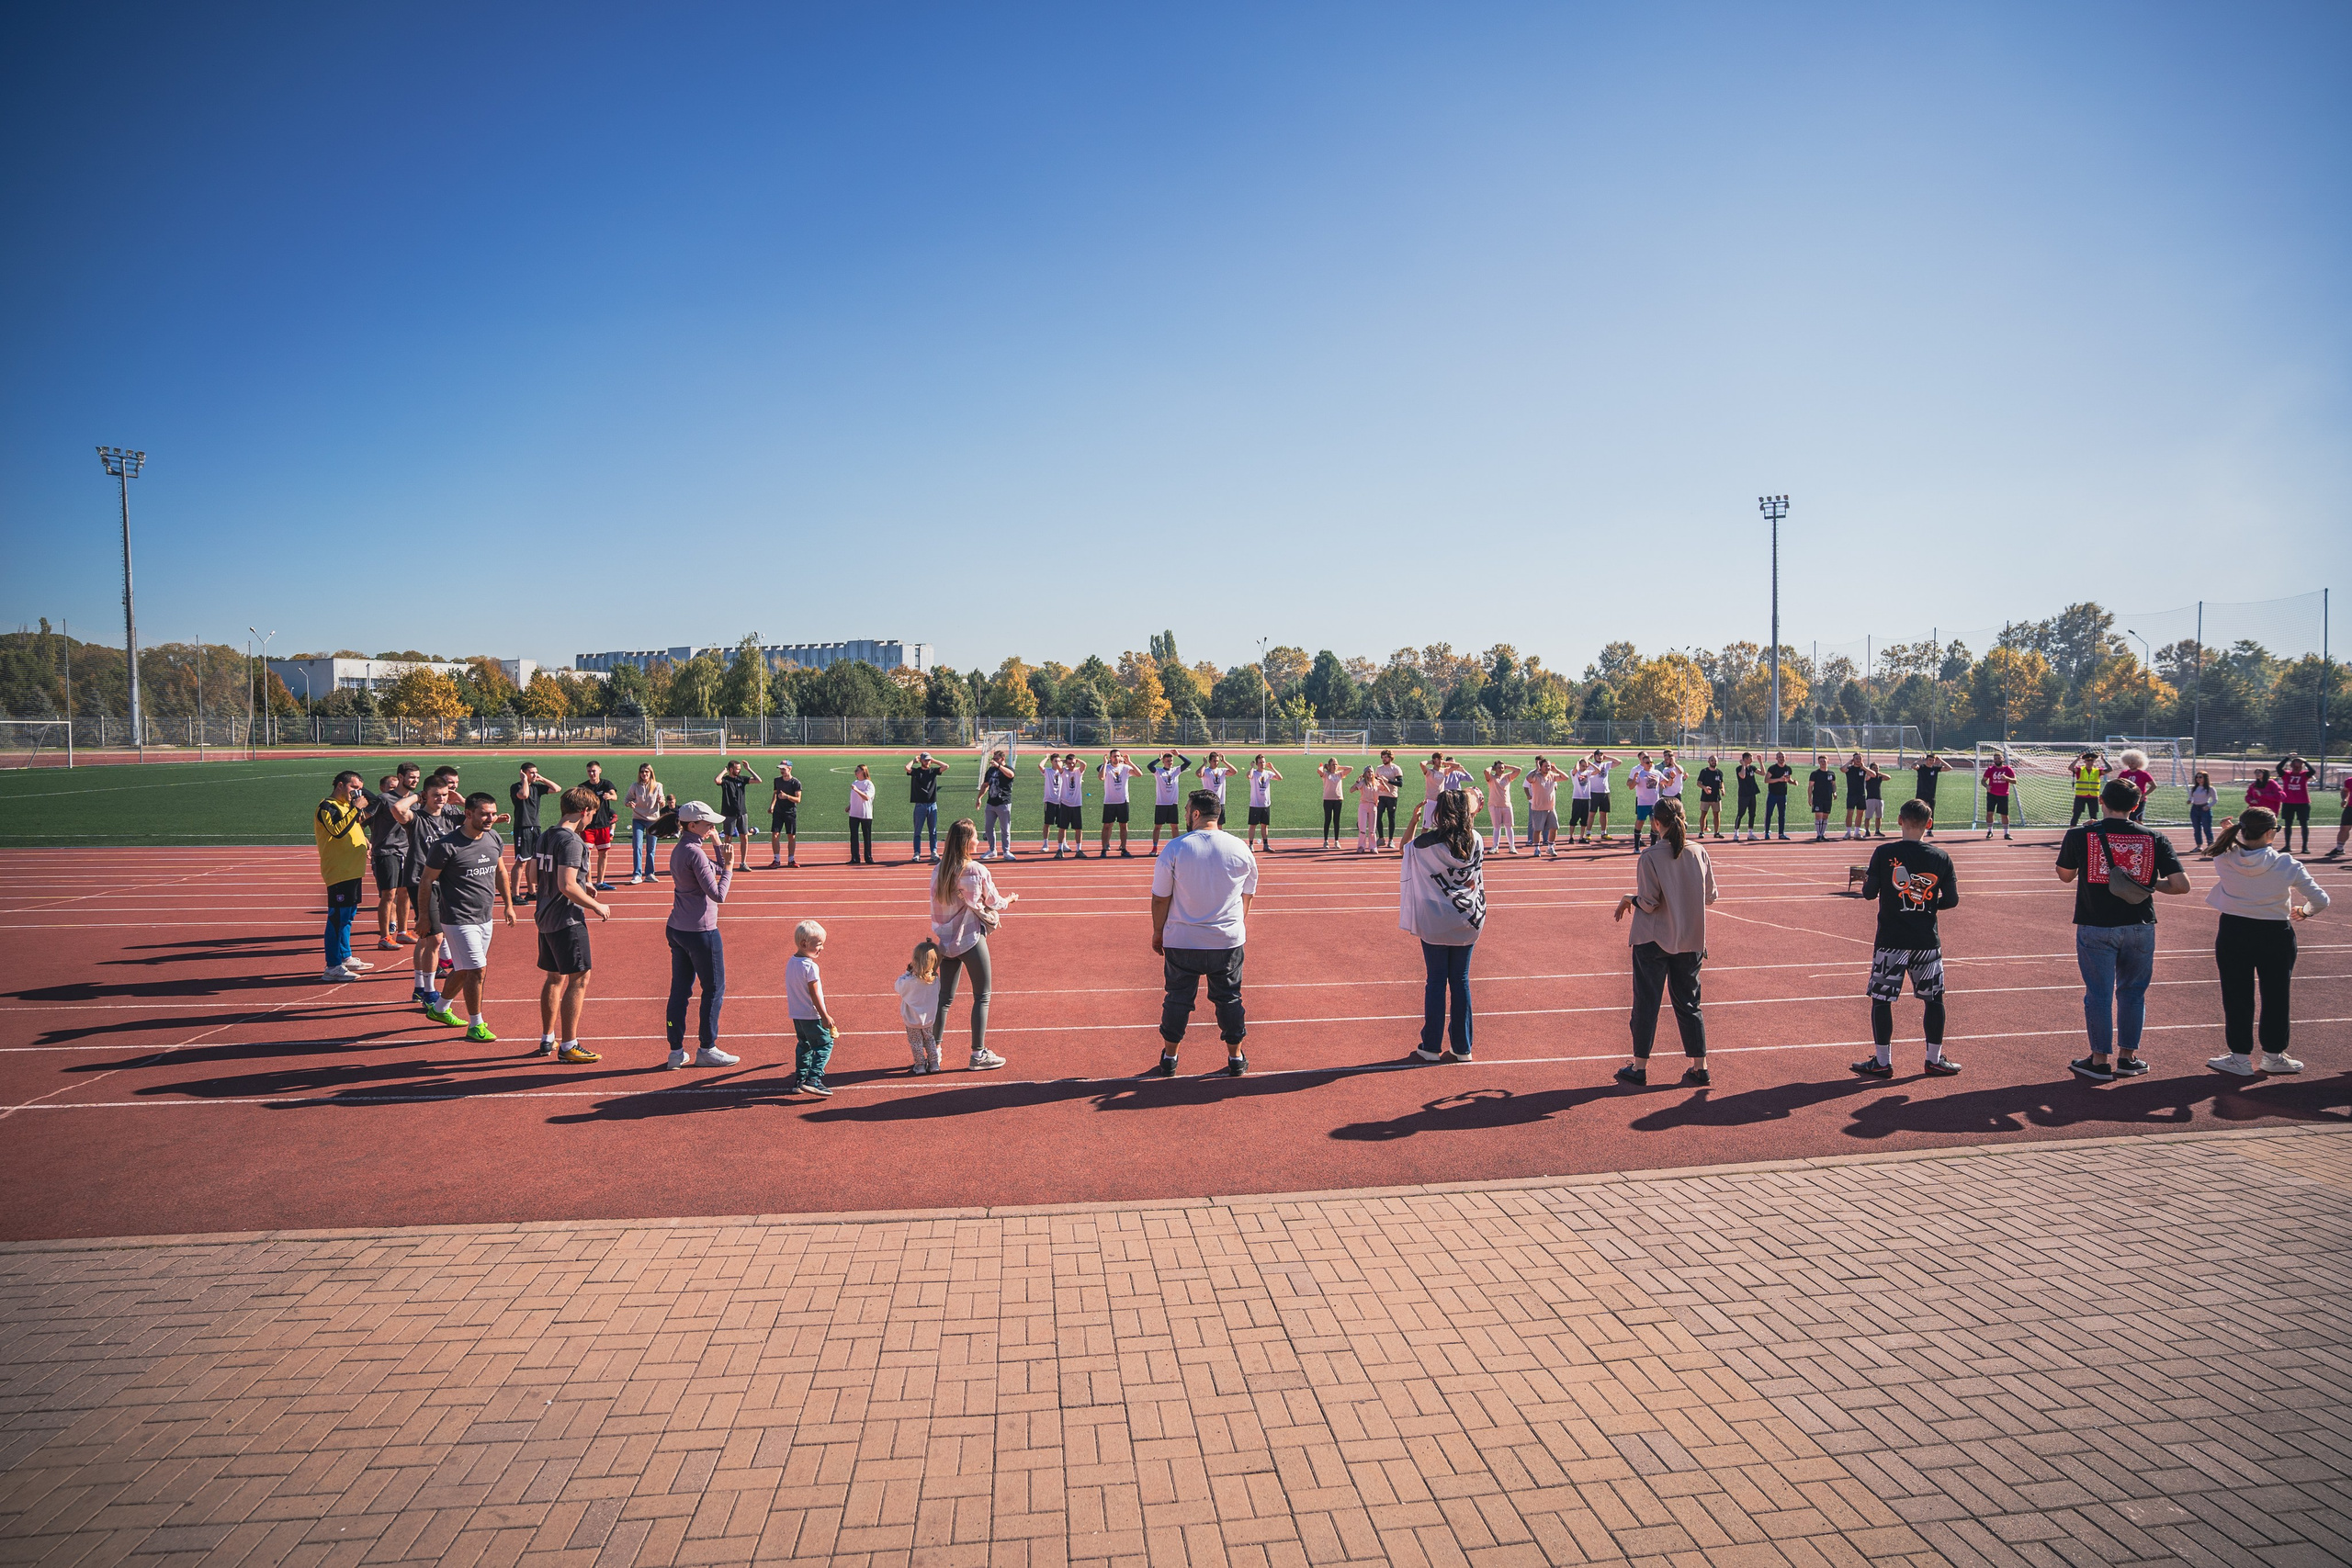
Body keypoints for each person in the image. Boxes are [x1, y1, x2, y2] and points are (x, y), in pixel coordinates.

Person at [2056, 778, 2190, 1082]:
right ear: (2136, 805)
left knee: (2099, 994)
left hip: (2096, 924)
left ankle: (2100, 1060)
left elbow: (2065, 876)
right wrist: (2141, 880)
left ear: (2101, 801)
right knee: (2133, 993)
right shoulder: (2155, 837)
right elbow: (2181, 886)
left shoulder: (2081, 834)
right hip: (2140, 925)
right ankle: (2128, 1058)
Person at [2203, 805, 2329, 1077]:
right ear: (2272, 832)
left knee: (2236, 994)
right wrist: (2304, 912)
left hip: (2234, 931)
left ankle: (2239, 1057)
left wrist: (2230, 831)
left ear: (2242, 830)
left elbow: (2236, 847)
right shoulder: (2287, 864)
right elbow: (2321, 900)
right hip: (2276, 934)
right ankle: (2274, 1055)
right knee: (2276, 995)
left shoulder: (2224, 857)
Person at [1148, 788, 1258, 1077]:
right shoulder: (1241, 848)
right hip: (1226, 941)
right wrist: (1235, 926)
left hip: (1182, 940)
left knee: (1177, 998)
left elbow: (1160, 898)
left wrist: (1158, 932)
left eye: (1186, 811)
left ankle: (1170, 1057)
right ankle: (1235, 1057)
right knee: (1229, 998)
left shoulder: (1175, 848)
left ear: (1195, 814)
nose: (1185, 815)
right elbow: (1247, 896)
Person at [1850, 799, 1962, 1078]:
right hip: (1926, 941)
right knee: (1934, 999)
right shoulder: (1941, 858)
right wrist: (1926, 900)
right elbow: (1951, 901)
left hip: (1891, 939)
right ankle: (1934, 1059)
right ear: (1930, 824)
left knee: (1881, 999)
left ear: (1899, 821)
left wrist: (1870, 879)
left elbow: (1868, 893)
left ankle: (1883, 1061)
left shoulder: (1884, 852)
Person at [1611, 798, 1715, 1085]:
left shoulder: (1650, 857)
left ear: (1656, 823)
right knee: (1689, 1003)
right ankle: (1700, 1065)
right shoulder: (1699, 852)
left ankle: (1639, 1067)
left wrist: (1628, 898)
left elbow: (1649, 902)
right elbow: (1710, 896)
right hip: (1691, 937)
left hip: (1653, 939)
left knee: (1646, 1002)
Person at [418, 791, 517, 1042]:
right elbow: (426, 881)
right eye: (484, 814)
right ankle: (476, 1025)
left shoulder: (493, 837)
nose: (490, 818)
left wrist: (508, 905)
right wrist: (423, 917)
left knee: (463, 970)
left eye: (493, 813)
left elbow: (501, 872)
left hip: (485, 917)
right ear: (468, 813)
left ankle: (439, 1009)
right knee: (477, 970)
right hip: (457, 918)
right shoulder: (446, 845)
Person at [1401, 787, 1485, 1062]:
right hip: (1467, 917)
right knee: (1460, 980)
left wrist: (1414, 821)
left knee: (1436, 981)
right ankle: (1463, 1048)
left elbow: (1405, 849)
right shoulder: (1477, 839)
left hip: (1435, 918)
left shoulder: (1427, 843)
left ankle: (1431, 1046)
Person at [533, 785, 610, 1064]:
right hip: (566, 919)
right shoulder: (572, 841)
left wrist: (583, 882)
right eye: (591, 815)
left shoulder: (545, 836)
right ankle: (569, 1045)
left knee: (554, 977)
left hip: (544, 917)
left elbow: (534, 875)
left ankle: (547, 1038)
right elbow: (566, 885)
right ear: (584, 811)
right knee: (580, 978)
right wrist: (597, 906)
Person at [929, 818, 1012, 1072]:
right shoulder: (975, 870)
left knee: (944, 999)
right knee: (982, 996)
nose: (979, 840)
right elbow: (993, 901)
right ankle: (978, 1054)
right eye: (976, 836)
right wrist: (1009, 900)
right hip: (970, 939)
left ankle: (934, 1053)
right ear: (967, 841)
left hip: (944, 941)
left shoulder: (939, 869)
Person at [662, 800, 739, 1069]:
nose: (712, 828)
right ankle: (707, 1048)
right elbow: (719, 893)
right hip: (700, 931)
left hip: (677, 929)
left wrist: (718, 845)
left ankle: (675, 1051)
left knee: (679, 992)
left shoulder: (682, 848)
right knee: (714, 989)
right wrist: (729, 867)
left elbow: (713, 867)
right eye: (707, 824)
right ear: (692, 825)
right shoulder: (694, 852)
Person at [405, 774, 468, 1011]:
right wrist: (415, 796)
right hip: (421, 881)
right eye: (435, 795)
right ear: (426, 796)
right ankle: (430, 992)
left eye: (443, 795)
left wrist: (459, 800)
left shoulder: (451, 815)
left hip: (444, 880)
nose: (441, 799)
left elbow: (480, 814)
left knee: (426, 936)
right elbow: (398, 809)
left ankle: (420, 987)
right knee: (435, 939)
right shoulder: (416, 817)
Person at [313, 770, 377, 982]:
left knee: (348, 917)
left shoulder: (347, 807)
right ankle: (332, 966)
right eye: (353, 787)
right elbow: (337, 831)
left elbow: (354, 826)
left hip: (353, 869)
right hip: (339, 871)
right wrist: (355, 808)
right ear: (340, 785)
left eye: (359, 788)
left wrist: (365, 841)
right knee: (336, 919)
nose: (356, 792)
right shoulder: (327, 806)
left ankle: (345, 956)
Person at [783, 920, 839, 1096]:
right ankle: (814, 1078)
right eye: (819, 944)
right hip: (811, 1015)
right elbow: (814, 994)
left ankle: (800, 1079)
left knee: (804, 1045)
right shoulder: (811, 966)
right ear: (804, 944)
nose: (822, 948)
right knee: (825, 1045)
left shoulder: (791, 962)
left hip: (797, 1015)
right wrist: (825, 1015)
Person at [368, 763, 420, 948]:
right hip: (386, 851)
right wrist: (367, 842)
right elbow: (363, 819)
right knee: (388, 895)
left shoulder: (415, 800)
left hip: (408, 851)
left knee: (405, 893)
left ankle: (403, 932)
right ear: (401, 777)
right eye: (411, 777)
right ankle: (384, 937)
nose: (415, 780)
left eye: (417, 777)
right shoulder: (384, 799)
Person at [508, 762, 557, 901]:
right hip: (522, 827)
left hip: (535, 827)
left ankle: (531, 891)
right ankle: (515, 894)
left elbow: (556, 789)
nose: (535, 775)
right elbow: (524, 795)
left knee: (532, 861)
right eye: (532, 773)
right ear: (523, 773)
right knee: (521, 862)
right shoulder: (516, 787)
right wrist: (524, 780)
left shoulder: (537, 787)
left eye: (536, 772)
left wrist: (542, 779)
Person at [896, 940, 943, 1073]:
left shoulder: (909, 981)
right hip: (928, 1019)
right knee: (929, 1039)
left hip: (912, 1020)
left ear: (915, 961)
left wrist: (907, 973)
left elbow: (898, 986)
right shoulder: (935, 981)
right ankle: (934, 1063)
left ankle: (920, 1064)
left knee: (916, 1042)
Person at [712, 759, 759, 872]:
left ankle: (743, 863)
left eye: (740, 769)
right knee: (728, 838)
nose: (739, 771)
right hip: (729, 814)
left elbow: (758, 780)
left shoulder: (742, 779)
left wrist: (749, 769)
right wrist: (724, 771)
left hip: (742, 813)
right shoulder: (726, 781)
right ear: (731, 769)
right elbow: (717, 780)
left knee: (744, 837)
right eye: (737, 769)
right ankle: (726, 863)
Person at [579, 761, 619, 890]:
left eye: (594, 771)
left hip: (603, 825)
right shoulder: (583, 787)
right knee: (587, 855)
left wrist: (610, 796)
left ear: (600, 770)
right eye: (589, 771)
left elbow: (615, 796)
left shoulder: (606, 784)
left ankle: (600, 882)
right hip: (588, 827)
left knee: (604, 853)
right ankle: (589, 882)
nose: (592, 773)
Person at [626, 762, 668, 885]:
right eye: (642, 772)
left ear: (651, 773)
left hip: (653, 820)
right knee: (637, 847)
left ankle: (650, 873)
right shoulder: (635, 786)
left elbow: (662, 802)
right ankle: (637, 874)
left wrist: (661, 801)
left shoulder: (658, 785)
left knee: (651, 848)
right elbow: (626, 799)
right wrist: (630, 804)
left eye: (647, 772)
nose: (644, 774)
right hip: (638, 818)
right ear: (639, 773)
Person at [1099, 749, 1143, 857]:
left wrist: (1130, 762)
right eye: (1114, 756)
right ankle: (1104, 848)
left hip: (1123, 801)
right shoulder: (1106, 767)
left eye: (1118, 756)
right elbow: (1101, 777)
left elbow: (1139, 774)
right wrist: (1105, 764)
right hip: (1109, 801)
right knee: (1107, 826)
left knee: (1123, 825)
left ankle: (1123, 847)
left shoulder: (1125, 768)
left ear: (1121, 757)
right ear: (1110, 758)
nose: (1116, 758)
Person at [905, 750, 947, 863]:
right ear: (921, 761)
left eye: (929, 760)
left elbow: (946, 766)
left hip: (932, 805)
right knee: (917, 831)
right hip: (920, 805)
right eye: (926, 760)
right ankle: (917, 853)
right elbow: (907, 768)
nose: (927, 762)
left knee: (933, 831)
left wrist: (934, 760)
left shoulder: (933, 771)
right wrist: (914, 761)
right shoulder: (916, 771)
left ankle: (933, 852)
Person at [1148, 749, 1193, 853]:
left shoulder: (1176, 771)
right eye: (1167, 761)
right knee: (1158, 826)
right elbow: (1150, 767)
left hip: (1173, 804)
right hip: (1161, 803)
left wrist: (1179, 755)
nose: (1170, 763)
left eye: (1171, 761)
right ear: (1164, 761)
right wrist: (1158, 759)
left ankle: (1176, 848)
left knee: (1175, 826)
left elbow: (1188, 762)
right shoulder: (1158, 772)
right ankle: (1155, 848)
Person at [978, 747, 1018, 860]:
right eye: (993, 758)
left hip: (1003, 803)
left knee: (1005, 829)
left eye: (996, 758)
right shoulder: (990, 770)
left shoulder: (1008, 769)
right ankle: (992, 850)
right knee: (988, 828)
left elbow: (1011, 775)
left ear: (1002, 759)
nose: (994, 760)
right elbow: (986, 785)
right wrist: (979, 798)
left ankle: (1006, 851)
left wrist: (999, 766)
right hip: (991, 803)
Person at [1525, 756, 1565, 858]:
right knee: (1537, 829)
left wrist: (1556, 770)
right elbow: (1528, 778)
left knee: (1554, 827)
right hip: (1538, 808)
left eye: (1549, 766)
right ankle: (1537, 849)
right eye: (1545, 766)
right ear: (1541, 767)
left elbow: (1565, 777)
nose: (1548, 768)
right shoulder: (1536, 776)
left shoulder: (1552, 775)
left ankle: (1550, 847)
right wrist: (1536, 769)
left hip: (1550, 808)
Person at [2277, 753, 2316, 853]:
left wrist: (2305, 761)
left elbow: (2313, 771)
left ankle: (2304, 847)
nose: (2296, 768)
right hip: (2288, 802)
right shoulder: (2286, 775)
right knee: (2288, 824)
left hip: (2302, 802)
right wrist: (2287, 758)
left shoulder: (2304, 775)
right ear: (2291, 766)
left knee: (2304, 824)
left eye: (2299, 766)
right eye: (2295, 766)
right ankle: (2287, 845)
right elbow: (2278, 768)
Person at [766, 761, 803, 867]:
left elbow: (798, 799)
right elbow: (775, 793)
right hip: (778, 812)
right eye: (780, 769)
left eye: (784, 769)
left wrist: (787, 796)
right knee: (775, 834)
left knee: (791, 836)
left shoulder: (796, 782)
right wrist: (772, 805)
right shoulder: (777, 780)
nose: (782, 771)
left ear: (790, 768)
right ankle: (776, 860)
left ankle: (791, 860)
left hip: (790, 812)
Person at [1244, 755, 1283, 852]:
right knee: (1253, 825)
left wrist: (1272, 768)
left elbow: (1280, 778)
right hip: (1255, 804)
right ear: (1257, 764)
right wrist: (1252, 767)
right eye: (1260, 762)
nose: (1262, 764)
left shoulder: (1268, 773)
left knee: (1264, 825)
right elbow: (1248, 776)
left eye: (1263, 762)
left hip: (1265, 804)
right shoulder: (1254, 773)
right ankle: (1251, 845)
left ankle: (1266, 844)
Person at [1479, 760, 1520, 853]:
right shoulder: (1492, 778)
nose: (1501, 770)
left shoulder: (1507, 777)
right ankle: (1495, 846)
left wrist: (1507, 766)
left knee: (1509, 827)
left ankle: (1512, 847)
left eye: (1502, 768)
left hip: (1506, 805)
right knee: (1496, 827)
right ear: (1495, 769)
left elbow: (1518, 770)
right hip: (1494, 805)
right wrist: (1492, 768)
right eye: (1498, 768)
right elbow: (1486, 771)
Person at [1035, 751, 1067, 856]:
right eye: (1055, 761)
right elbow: (1040, 766)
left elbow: (1073, 764)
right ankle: (1045, 843)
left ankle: (1064, 843)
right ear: (1052, 762)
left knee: (1062, 824)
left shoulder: (1064, 771)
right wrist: (1046, 757)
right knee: (1047, 823)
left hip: (1061, 801)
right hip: (1050, 801)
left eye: (1059, 761)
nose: (1057, 763)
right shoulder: (1048, 771)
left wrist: (1062, 761)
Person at [1628, 752, 1662, 848]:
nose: (1650, 764)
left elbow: (1667, 783)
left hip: (1655, 803)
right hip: (1642, 802)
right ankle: (1637, 845)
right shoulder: (1637, 771)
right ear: (1642, 762)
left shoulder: (1656, 772)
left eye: (1651, 762)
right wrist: (1634, 779)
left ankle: (1653, 846)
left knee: (1654, 822)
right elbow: (1630, 785)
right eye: (1647, 762)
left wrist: (1671, 778)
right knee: (1640, 821)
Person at [1316, 757, 1351, 850]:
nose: (1335, 766)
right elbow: (1319, 771)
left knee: (1336, 820)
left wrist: (1339, 767)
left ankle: (1336, 841)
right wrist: (1323, 766)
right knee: (1328, 820)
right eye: (1333, 764)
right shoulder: (1326, 774)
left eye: (1336, 764)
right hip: (1327, 799)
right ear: (1329, 766)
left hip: (1338, 799)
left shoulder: (1340, 774)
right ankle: (1326, 841)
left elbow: (1350, 768)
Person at [1059, 751, 1091, 856]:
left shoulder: (1078, 772)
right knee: (1062, 827)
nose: (1071, 765)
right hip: (1065, 803)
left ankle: (1078, 850)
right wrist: (1064, 761)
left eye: (1073, 763)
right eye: (1069, 763)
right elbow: (1058, 764)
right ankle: (1060, 849)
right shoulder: (1064, 772)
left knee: (1078, 828)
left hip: (1076, 804)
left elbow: (1085, 765)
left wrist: (1077, 760)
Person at [1373, 750, 1405, 849]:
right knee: (1377, 816)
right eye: (1382, 757)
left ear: (1390, 757)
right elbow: (1375, 781)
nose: (1384, 759)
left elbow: (1400, 783)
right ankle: (1381, 838)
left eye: (1386, 757)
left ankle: (1391, 840)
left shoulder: (1396, 768)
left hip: (1392, 796)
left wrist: (1388, 781)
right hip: (1381, 796)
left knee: (1391, 818)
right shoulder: (1379, 768)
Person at [845, 763, 876, 863]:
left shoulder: (868, 784)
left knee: (866, 836)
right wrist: (850, 806)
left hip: (865, 814)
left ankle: (868, 857)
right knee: (853, 836)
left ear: (863, 771)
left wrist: (857, 790)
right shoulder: (855, 782)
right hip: (854, 813)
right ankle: (855, 857)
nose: (855, 772)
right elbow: (854, 798)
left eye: (857, 770)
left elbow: (867, 797)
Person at [1197, 751, 1237, 828]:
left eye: (1217, 761)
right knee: (1208, 825)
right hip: (1209, 802)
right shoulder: (1206, 771)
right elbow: (1199, 774)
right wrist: (1204, 764)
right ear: (1210, 761)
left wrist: (1224, 761)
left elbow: (1234, 771)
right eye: (1214, 761)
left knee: (1219, 825)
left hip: (1220, 802)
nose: (1216, 762)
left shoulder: (1222, 771)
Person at [2116, 750, 2155, 825]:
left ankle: (2142, 834)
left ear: (2139, 763)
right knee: (2126, 818)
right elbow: (2118, 784)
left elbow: (2154, 785)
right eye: (2129, 763)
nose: (2130, 765)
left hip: (2139, 800)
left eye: (2133, 763)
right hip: (2127, 799)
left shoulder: (2143, 774)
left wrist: (2144, 795)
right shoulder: (2124, 773)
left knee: (2137, 819)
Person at [1587, 750, 1619, 842]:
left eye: (1601, 755)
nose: (1599, 757)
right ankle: (1588, 832)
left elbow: (1619, 762)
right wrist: (1589, 757)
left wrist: (1607, 757)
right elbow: (1582, 761)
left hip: (1605, 792)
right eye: (1598, 755)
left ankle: (1603, 832)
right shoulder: (1591, 766)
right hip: (1593, 792)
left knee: (1604, 813)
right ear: (1595, 756)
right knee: (1592, 813)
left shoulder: (1606, 765)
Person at [1912, 753, 1948, 837]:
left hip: (1931, 795)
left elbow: (1949, 768)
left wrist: (1941, 760)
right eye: (1930, 760)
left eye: (1933, 760)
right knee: (1918, 811)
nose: (1931, 761)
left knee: (1930, 812)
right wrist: (1919, 761)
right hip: (1921, 794)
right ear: (1926, 760)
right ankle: (1917, 829)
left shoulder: (1935, 769)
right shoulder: (1921, 768)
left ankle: (1930, 830)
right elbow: (1913, 766)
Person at [1982, 750, 2016, 840]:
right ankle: (1990, 831)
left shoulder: (2008, 769)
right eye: (1995, 759)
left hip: (2003, 795)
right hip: (1992, 794)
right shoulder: (1990, 769)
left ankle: (2006, 833)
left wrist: (2006, 778)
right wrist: (1986, 786)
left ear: (2003, 759)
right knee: (1989, 813)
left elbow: (2015, 781)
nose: (1997, 760)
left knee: (2004, 814)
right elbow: (1983, 781)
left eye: (1999, 758)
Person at [2068, 750, 2106, 827]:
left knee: (2094, 817)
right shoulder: (2080, 770)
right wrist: (2078, 758)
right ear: (2085, 761)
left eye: (2091, 761)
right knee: (2076, 815)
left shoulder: (2097, 771)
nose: (2089, 762)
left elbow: (2110, 769)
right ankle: (2071, 832)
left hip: (2093, 796)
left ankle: (2095, 832)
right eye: (2088, 761)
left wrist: (2103, 760)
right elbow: (2070, 768)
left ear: (2094, 762)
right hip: (2080, 796)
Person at [1352, 763, 1383, 852]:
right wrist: (1357, 782)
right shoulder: (1362, 783)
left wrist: (1383, 783)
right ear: (1365, 773)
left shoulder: (1376, 783)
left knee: (1372, 829)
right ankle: (1361, 846)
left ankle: (1373, 847)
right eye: (1368, 772)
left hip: (1373, 806)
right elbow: (1351, 790)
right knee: (1362, 828)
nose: (1370, 774)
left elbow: (1386, 790)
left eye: (1371, 772)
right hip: (1363, 805)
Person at [1763, 752, 1792, 840]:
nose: (1781, 758)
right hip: (1772, 794)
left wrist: (1793, 782)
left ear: (1785, 757)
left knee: (1782, 815)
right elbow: (1766, 780)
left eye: (1783, 756)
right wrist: (1779, 779)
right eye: (1779, 757)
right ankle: (1767, 832)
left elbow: (1788, 779)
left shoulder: (1788, 769)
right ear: (1776, 758)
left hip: (1783, 795)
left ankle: (1781, 833)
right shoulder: (1772, 768)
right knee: (1769, 813)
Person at [1807, 756, 1838, 840]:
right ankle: (1818, 835)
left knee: (1825, 816)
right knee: (1818, 815)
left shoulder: (1831, 773)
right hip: (1818, 797)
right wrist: (1810, 798)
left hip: (1828, 798)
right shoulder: (1815, 773)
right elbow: (1810, 787)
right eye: (1821, 761)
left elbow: (1833, 784)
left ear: (1828, 761)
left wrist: (1834, 792)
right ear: (1818, 762)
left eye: (1824, 761)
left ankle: (1823, 834)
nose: (1823, 763)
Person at [1693, 755, 1724, 840]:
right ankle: (1701, 832)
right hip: (1705, 798)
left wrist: (1722, 789)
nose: (1714, 762)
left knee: (1716, 815)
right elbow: (1698, 783)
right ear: (1709, 761)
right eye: (1712, 760)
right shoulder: (1704, 771)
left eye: (1715, 760)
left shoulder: (1719, 772)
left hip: (1716, 798)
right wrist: (1704, 788)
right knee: (1703, 814)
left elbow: (1721, 783)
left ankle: (1716, 832)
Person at [2188, 770, 2218, 851]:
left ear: (2205, 778)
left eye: (2200, 777)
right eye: (2197, 777)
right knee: (2196, 828)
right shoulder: (2194, 788)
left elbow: (2215, 800)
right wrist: (2190, 801)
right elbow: (2191, 797)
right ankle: (2198, 846)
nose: (2198, 778)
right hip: (2195, 809)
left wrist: (2208, 806)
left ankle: (2210, 846)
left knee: (2207, 828)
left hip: (2204, 809)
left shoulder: (2210, 788)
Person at [1733, 752, 1759, 840]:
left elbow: (1763, 773)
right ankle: (1736, 833)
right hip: (1743, 795)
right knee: (1741, 813)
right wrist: (1743, 765)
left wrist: (1761, 762)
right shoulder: (1739, 769)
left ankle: (1750, 833)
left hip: (1752, 794)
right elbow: (1743, 776)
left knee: (1752, 814)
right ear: (1745, 759)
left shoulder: (1752, 768)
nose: (1752, 760)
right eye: (1750, 758)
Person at [1567, 757, 1594, 843]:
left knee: (1584, 820)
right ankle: (1571, 837)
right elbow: (1575, 769)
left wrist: (1590, 763)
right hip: (1577, 798)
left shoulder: (1588, 773)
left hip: (1587, 799)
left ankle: (1581, 837)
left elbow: (1597, 770)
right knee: (1574, 819)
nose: (1584, 768)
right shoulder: (1574, 773)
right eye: (1583, 766)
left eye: (1586, 766)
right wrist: (1578, 761)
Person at [2327, 771, 2351, 862]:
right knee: (2344, 828)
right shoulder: (2349, 781)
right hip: (2350, 807)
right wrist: (2344, 799)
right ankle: (2339, 848)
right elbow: (2345, 790)